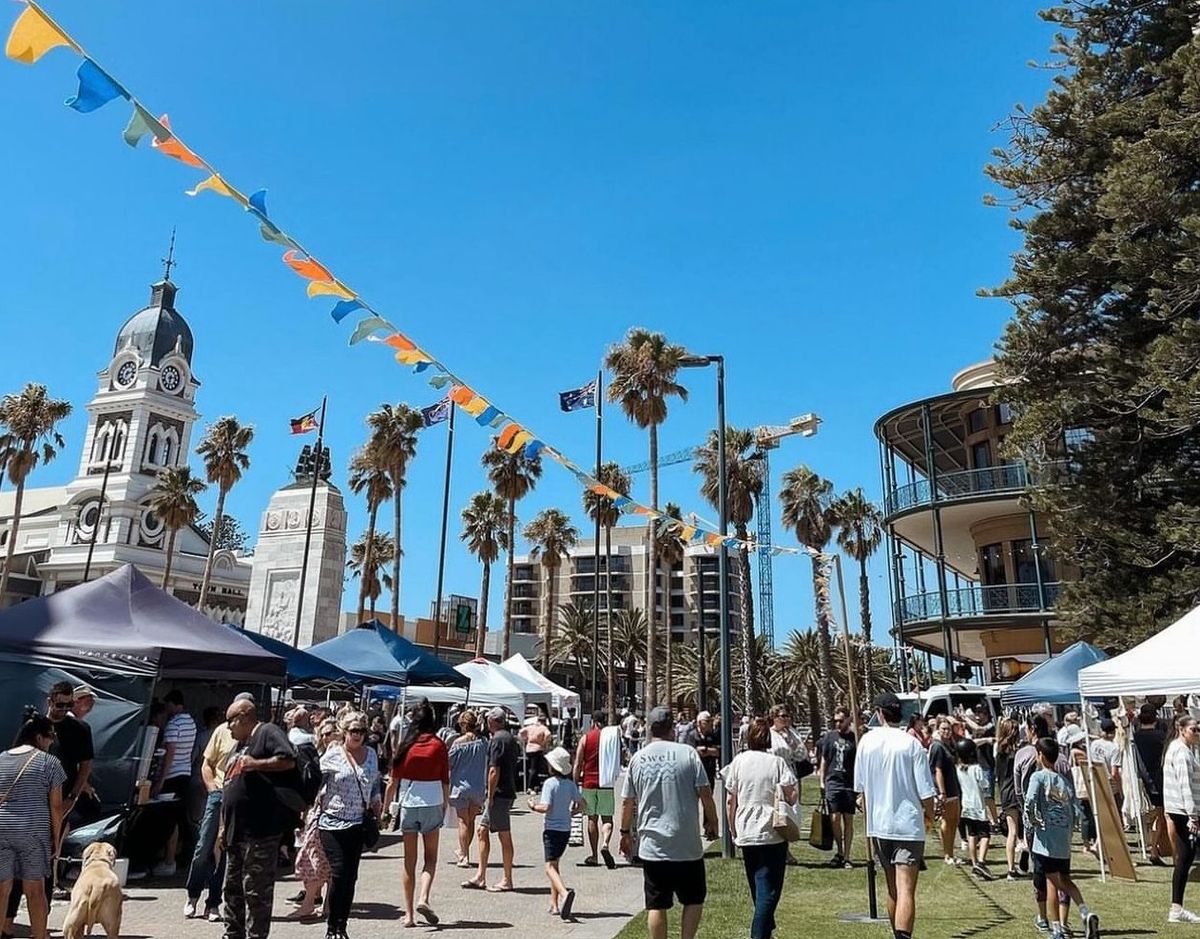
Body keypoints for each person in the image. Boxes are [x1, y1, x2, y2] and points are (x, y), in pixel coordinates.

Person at [619, 706, 719, 939]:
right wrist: (712, 822)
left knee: (656, 904)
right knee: (694, 899)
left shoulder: (638, 758)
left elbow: (627, 802)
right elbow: (705, 793)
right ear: (672, 728)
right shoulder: (688, 754)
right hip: (687, 843)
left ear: (650, 729)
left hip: (653, 844)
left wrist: (624, 832)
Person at [853, 693, 935, 939]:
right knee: (906, 889)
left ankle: (897, 934)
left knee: (893, 890)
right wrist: (929, 815)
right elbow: (926, 791)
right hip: (907, 824)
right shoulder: (911, 744)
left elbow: (861, 790)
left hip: (879, 825)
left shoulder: (866, 742)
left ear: (879, 713)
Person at [219, 696, 298, 939]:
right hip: (236, 832)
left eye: (230, 721)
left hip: (259, 832)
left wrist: (256, 763)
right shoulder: (239, 744)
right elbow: (229, 785)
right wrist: (223, 825)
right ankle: (232, 934)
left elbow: (287, 760)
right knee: (232, 890)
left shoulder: (267, 732)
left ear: (243, 716)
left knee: (256, 893)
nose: (228, 727)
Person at [724, 716, 797, 939]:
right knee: (770, 889)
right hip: (771, 830)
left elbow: (730, 800)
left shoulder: (738, 761)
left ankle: (766, 930)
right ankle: (759, 934)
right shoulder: (776, 763)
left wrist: (732, 828)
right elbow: (792, 795)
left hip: (746, 828)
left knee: (757, 886)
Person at [1024, 737, 1099, 939]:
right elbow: (1075, 810)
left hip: (1045, 841)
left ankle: (1056, 929)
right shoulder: (1064, 782)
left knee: (1051, 883)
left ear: (1040, 756)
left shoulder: (1038, 777)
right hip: (1063, 841)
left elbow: (1030, 801)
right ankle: (1085, 911)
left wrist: (1032, 822)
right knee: (1065, 879)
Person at [0, 715, 65, 939]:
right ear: (39, 737)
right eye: (51, 737)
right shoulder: (50, 762)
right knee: (35, 891)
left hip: (2, 828)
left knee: (2, 890)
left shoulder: (1, 759)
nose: (52, 742)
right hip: (33, 830)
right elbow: (56, 806)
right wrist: (57, 839)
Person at [317, 710, 380, 939]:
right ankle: (331, 926)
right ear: (344, 732)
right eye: (354, 731)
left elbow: (374, 785)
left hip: (358, 823)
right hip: (332, 824)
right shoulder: (332, 755)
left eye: (362, 731)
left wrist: (377, 805)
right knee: (339, 873)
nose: (358, 736)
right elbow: (316, 780)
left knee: (351, 877)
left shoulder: (371, 754)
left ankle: (342, 927)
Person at [184, 694, 245, 922]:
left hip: (237, 798)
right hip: (218, 793)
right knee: (203, 847)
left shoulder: (255, 735)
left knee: (224, 852)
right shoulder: (221, 731)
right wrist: (211, 788)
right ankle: (192, 895)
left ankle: (214, 902)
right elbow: (206, 763)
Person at [391, 705, 449, 928]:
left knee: (408, 862)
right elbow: (445, 777)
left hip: (408, 803)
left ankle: (408, 915)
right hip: (432, 800)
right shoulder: (438, 744)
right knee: (431, 857)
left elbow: (393, 779)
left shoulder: (406, 746)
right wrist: (445, 803)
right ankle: (423, 897)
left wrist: (388, 809)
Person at [463, 707, 519, 892]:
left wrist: (490, 793)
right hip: (505, 791)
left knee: (504, 835)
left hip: (499, 794)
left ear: (492, 721)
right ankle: (481, 876)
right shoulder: (510, 739)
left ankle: (507, 879)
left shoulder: (497, 740)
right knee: (482, 830)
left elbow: (494, 770)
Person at [290, 718, 339, 920]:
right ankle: (317, 902)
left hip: (328, 813)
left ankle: (312, 903)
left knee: (317, 858)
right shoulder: (322, 754)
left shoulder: (335, 755)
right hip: (317, 811)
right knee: (316, 857)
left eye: (330, 733)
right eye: (324, 734)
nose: (327, 738)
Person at [528, 747, 582, 919]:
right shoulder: (570, 784)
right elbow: (582, 804)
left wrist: (533, 806)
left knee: (549, 867)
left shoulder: (550, 784)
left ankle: (564, 893)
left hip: (551, 829)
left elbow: (546, 807)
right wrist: (572, 812)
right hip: (565, 829)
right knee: (555, 864)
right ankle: (554, 904)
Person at [154, 689, 197, 877]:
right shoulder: (191, 722)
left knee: (170, 820)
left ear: (173, 704)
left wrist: (160, 781)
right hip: (185, 773)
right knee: (180, 818)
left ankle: (169, 860)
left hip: (171, 775)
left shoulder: (173, 725)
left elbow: (169, 754)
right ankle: (177, 855)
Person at [573, 709, 621, 869]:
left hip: (589, 782)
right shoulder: (611, 739)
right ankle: (605, 843)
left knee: (592, 818)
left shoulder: (586, 738)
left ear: (592, 721)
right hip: (606, 783)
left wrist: (575, 783)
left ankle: (594, 855)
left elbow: (578, 762)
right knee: (607, 818)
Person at [1164, 715, 1200, 923]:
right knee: (1185, 858)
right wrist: (1192, 816)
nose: (1196, 733)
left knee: (1185, 858)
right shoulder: (1181, 752)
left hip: (1181, 810)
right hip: (1183, 811)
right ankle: (1176, 909)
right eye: (1193, 729)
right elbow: (1185, 785)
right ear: (1181, 729)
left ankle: (1176, 908)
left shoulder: (1183, 750)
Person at [447, 709, 488, 868]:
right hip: (477, 787)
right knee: (470, 821)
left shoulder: (458, 743)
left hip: (460, 787)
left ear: (464, 725)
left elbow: (448, 763)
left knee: (463, 821)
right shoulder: (484, 742)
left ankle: (464, 855)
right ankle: (464, 851)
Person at [818, 706, 857, 870]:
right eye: (836, 721)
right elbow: (824, 760)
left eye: (841, 721)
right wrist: (822, 780)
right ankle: (839, 851)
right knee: (835, 819)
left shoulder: (855, 739)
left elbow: (858, 763)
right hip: (833, 782)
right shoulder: (830, 737)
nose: (838, 724)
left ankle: (847, 856)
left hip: (849, 785)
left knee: (848, 820)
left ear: (848, 720)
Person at [1133, 702, 1170, 865]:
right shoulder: (1161, 736)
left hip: (1147, 780)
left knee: (1161, 815)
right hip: (1161, 780)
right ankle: (1158, 850)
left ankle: (1156, 849)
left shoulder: (1137, 736)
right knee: (1165, 816)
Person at [994, 717, 1025, 881]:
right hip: (1011, 792)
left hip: (1006, 792)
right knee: (1013, 831)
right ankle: (1011, 869)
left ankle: (1013, 867)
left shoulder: (1001, 748)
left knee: (1017, 830)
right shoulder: (1009, 751)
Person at [956, 738, 992, 879]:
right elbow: (984, 785)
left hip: (966, 805)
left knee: (972, 834)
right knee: (985, 835)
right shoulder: (977, 769)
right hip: (978, 806)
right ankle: (981, 862)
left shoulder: (958, 769)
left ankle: (974, 862)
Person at [929, 717, 962, 865]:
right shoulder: (937, 746)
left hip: (954, 787)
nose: (946, 731)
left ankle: (952, 852)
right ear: (938, 729)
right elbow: (938, 770)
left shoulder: (950, 745)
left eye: (948, 729)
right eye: (943, 728)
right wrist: (942, 792)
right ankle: (947, 854)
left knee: (954, 820)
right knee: (946, 821)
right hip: (945, 789)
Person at [1089, 718, 1123, 812]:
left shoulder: (1094, 744)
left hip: (1097, 780)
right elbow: (1114, 773)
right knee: (1115, 812)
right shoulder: (1114, 748)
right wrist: (1120, 788)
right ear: (1113, 731)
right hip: (1110, 785)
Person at [686, 711, 721, 789]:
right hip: (695, 771)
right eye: (707, 721)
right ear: (699, 723)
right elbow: (691, 753)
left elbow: (717, 752)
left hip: (709, 771)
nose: (710, 724)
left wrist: (705, 750)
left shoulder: (712, 736)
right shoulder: (692, 735)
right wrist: (708, 751)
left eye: (711, 721)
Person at [519, 715, 552, 794]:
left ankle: (532, 786)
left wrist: (524, 740)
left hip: (529, 749)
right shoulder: (543, 728)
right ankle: (530, 787)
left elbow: (520, 732)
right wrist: (544, 743)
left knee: (529, 768)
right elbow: (548, 734)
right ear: (544, 721)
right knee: (535, 769)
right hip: (538, 748)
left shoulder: (531, 727)